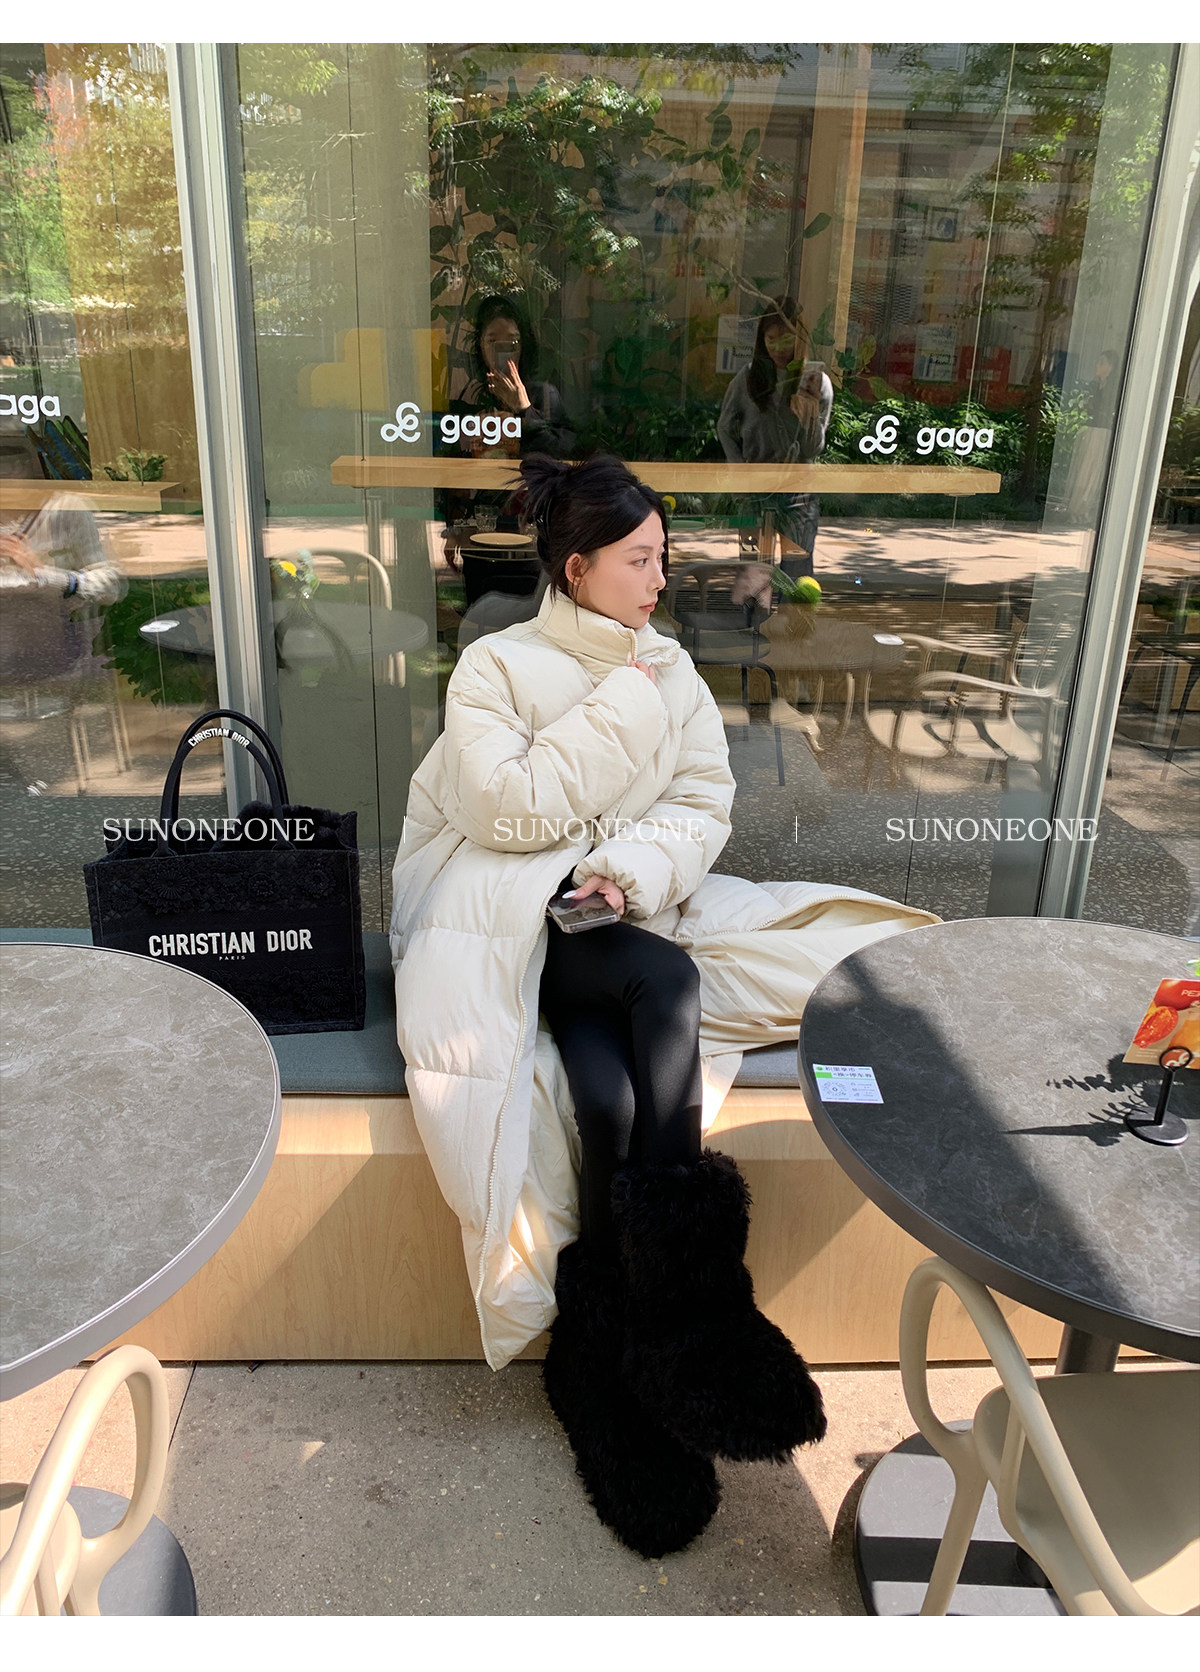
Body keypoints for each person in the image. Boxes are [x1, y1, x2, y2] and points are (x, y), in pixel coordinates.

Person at [391, 452, 826, 1560]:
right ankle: (690, 1321)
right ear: (576, 567)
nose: (660, 578)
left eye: (663, 556)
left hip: (607, 918)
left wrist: (626, 873)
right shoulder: (497, 664)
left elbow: (703, 802)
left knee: (608, 1100)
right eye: (639, 560)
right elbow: (509, 805)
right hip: (504, 926)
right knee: (667, 984)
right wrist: (625, 696)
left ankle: (600, 1361)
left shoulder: (672, 668)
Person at [439, 293, 575, 606]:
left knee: (530, 618)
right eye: (493, 341)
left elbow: (560, 455)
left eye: (512, 342)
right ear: (480, 345)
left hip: (531, 538)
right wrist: (453, 527)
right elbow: (450, 467)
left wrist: (523, 408)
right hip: (478, 538)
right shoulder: (467, 398)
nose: (504, 351)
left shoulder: (543, 396)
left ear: (524, 345)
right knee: (481, 616)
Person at [717, 296, 834, 577]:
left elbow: (813, 449)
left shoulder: (817, 382)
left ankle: (793, 609)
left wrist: (808, 411)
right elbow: (725, 427)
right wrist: (738, 471)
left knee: (797, 574)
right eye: (771, 339)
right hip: (754, 489)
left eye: (787, 340)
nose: (778, 348)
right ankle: (756, 609)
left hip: (798, 491)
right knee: (753, 572)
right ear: (762, 339)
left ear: (800, 340)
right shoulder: (748, 378)